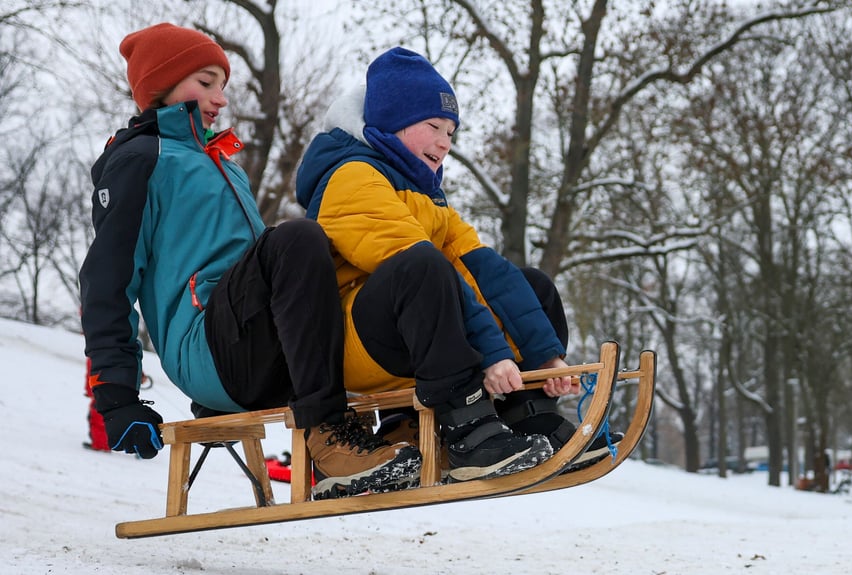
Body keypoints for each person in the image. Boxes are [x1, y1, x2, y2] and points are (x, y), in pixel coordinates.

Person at [79, 23, 420, 497]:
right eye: (205, 82)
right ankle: (327, 437)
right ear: (161, 84)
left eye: (222, 86)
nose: (219, 99)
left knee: (362, 257)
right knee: (299, 238)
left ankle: (407, 423)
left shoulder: (224, 163)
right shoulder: (142, 159)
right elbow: (107, 279)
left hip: (262, 345)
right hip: (208, 350)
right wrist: (116, 397)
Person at [295, 46, 619, 482]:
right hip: (360, 340)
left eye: (451, 131)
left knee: (529, 284)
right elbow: (418, 268)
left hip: (416, 329)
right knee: (424, 269)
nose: (446, 142)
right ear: (393, 122)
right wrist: (493, 356)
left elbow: (483, 269)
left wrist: (546, 359)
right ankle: (467, 431)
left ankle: (529, 413)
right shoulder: (351, 177)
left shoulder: (427, 196)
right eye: (434, 127)